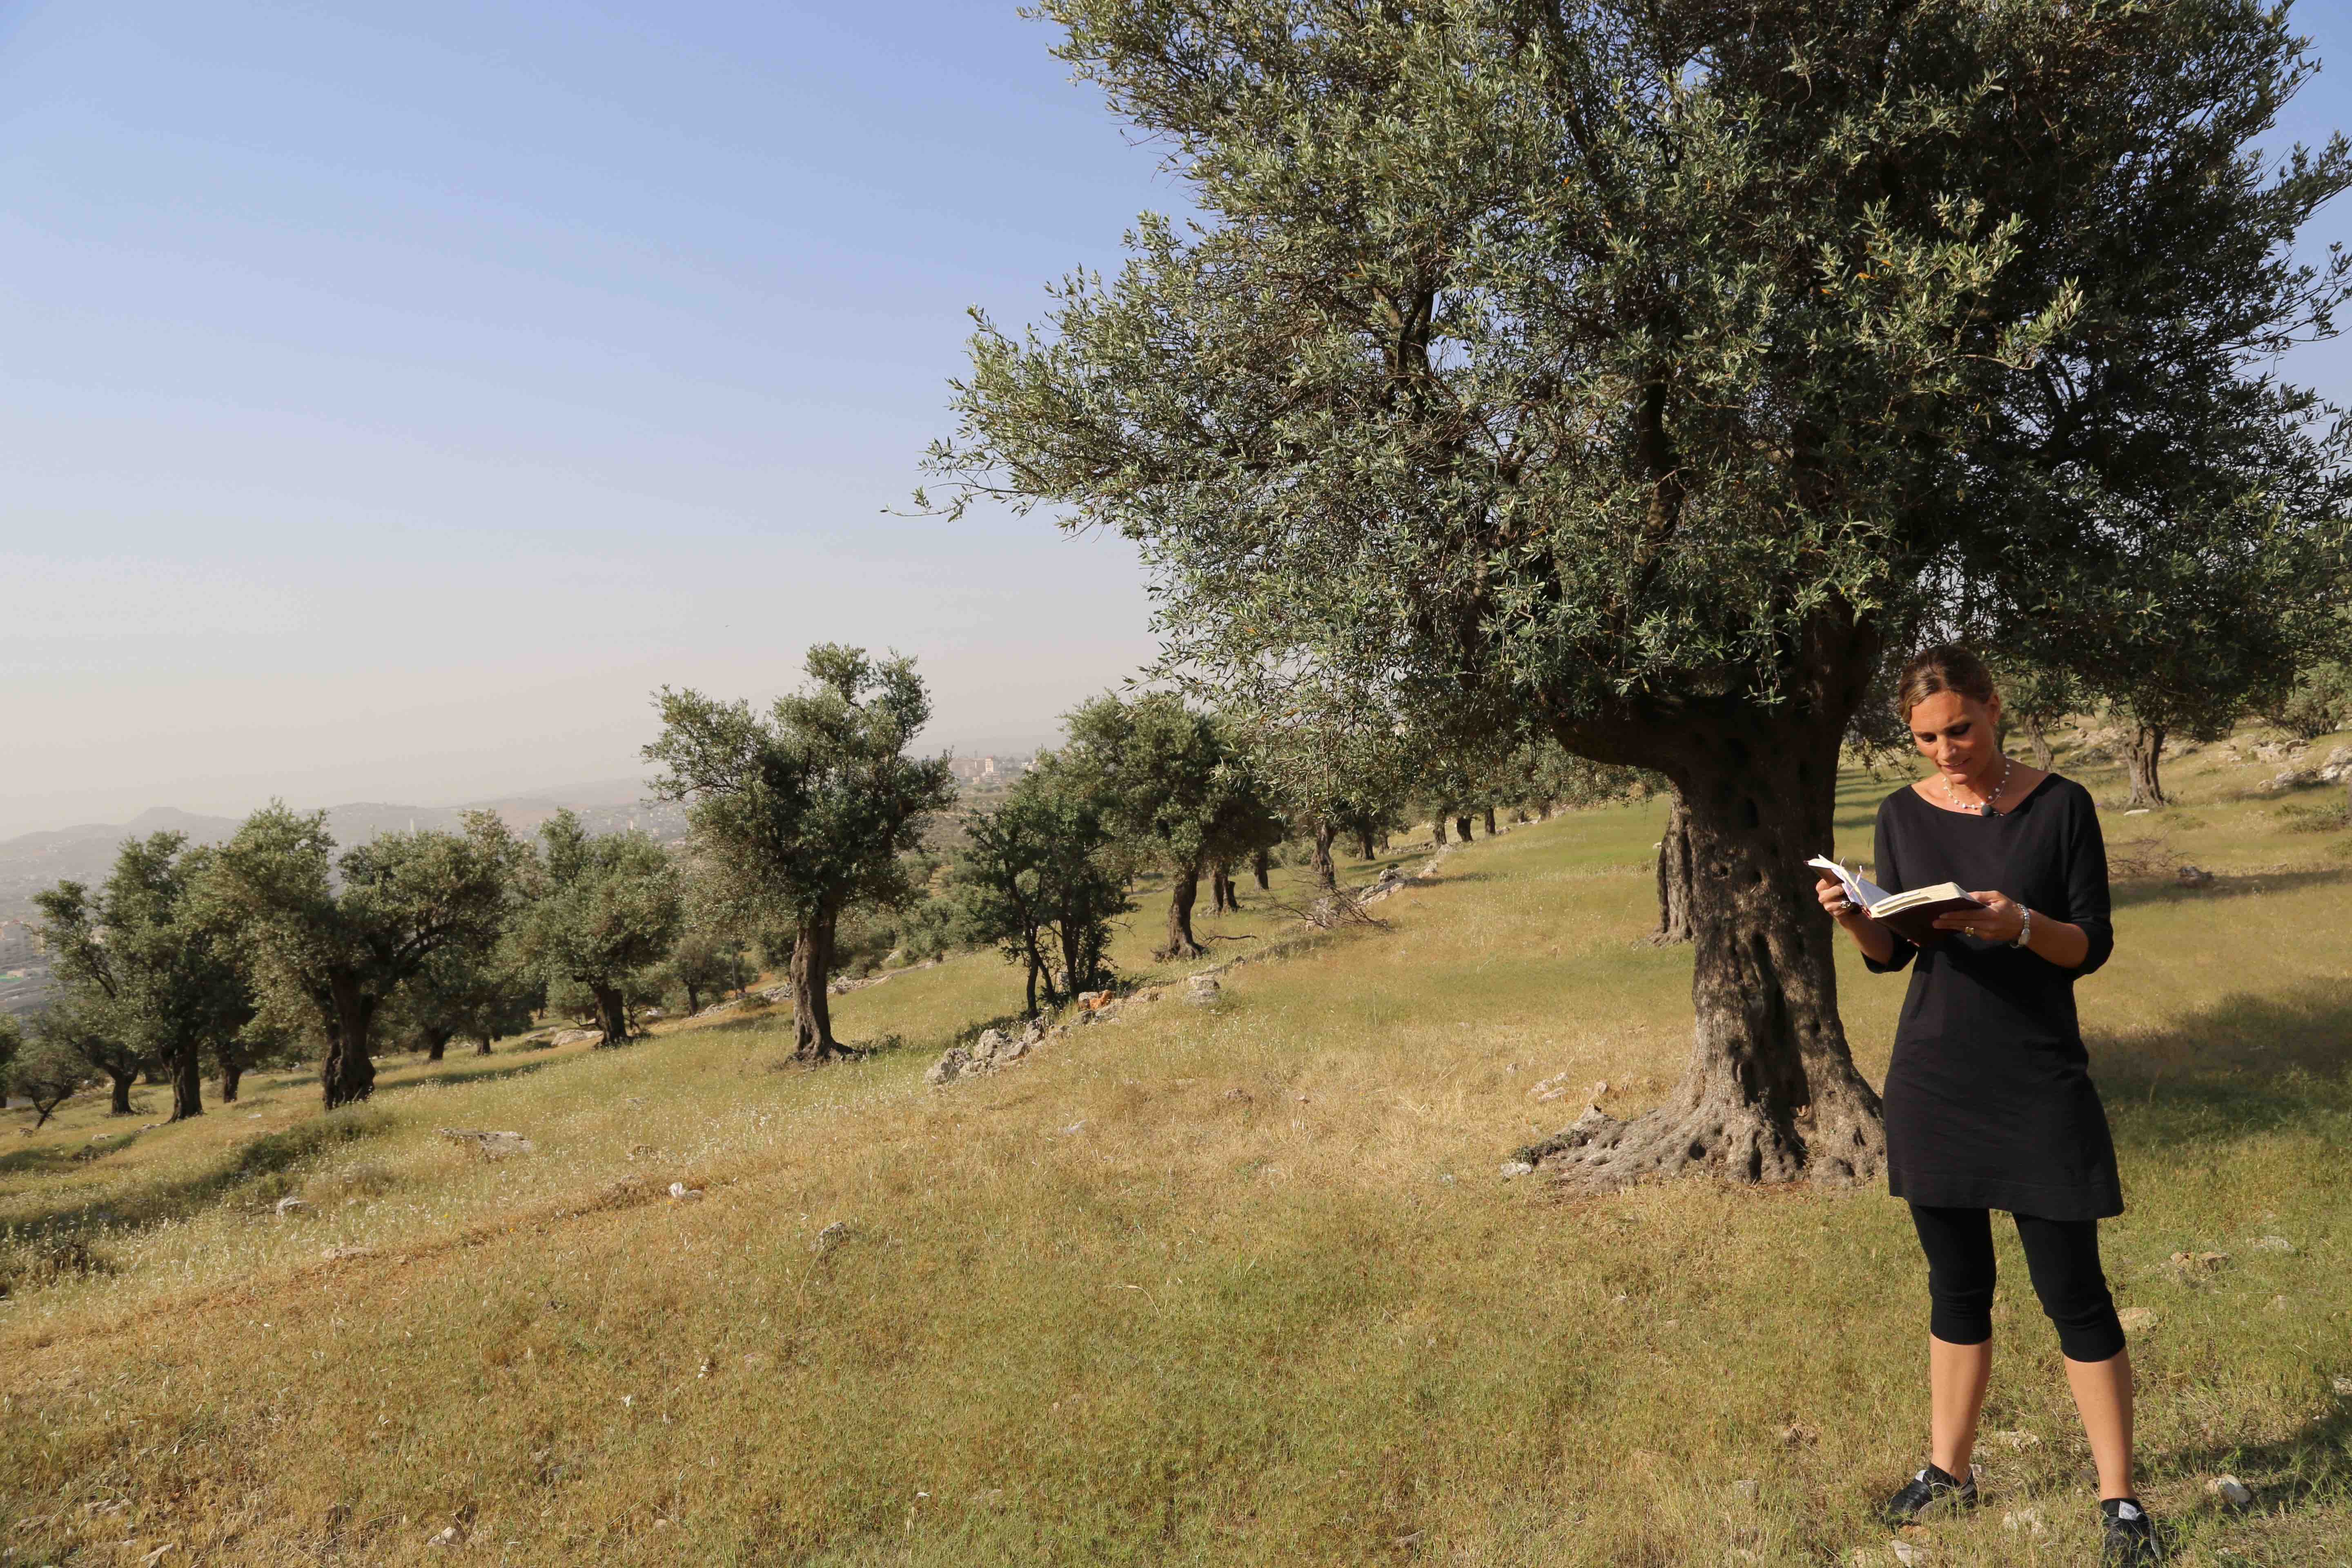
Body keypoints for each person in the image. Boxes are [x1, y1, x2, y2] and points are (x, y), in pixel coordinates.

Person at [1816, 644, 2159, 1566]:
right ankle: (1949, 1472)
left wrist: (2021, 926)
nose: (1945, 750)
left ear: (1995, 708)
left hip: (2040, 1076)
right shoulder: (1900, 813)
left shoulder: (2063, 806)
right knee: (1956, 1288)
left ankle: (2120, 1500)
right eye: (1926, 738)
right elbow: (1896, 958)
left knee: (2073, 1293)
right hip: (1934, 1078)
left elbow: (2089, 945)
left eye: (1959, 729)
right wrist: (1858, 919)